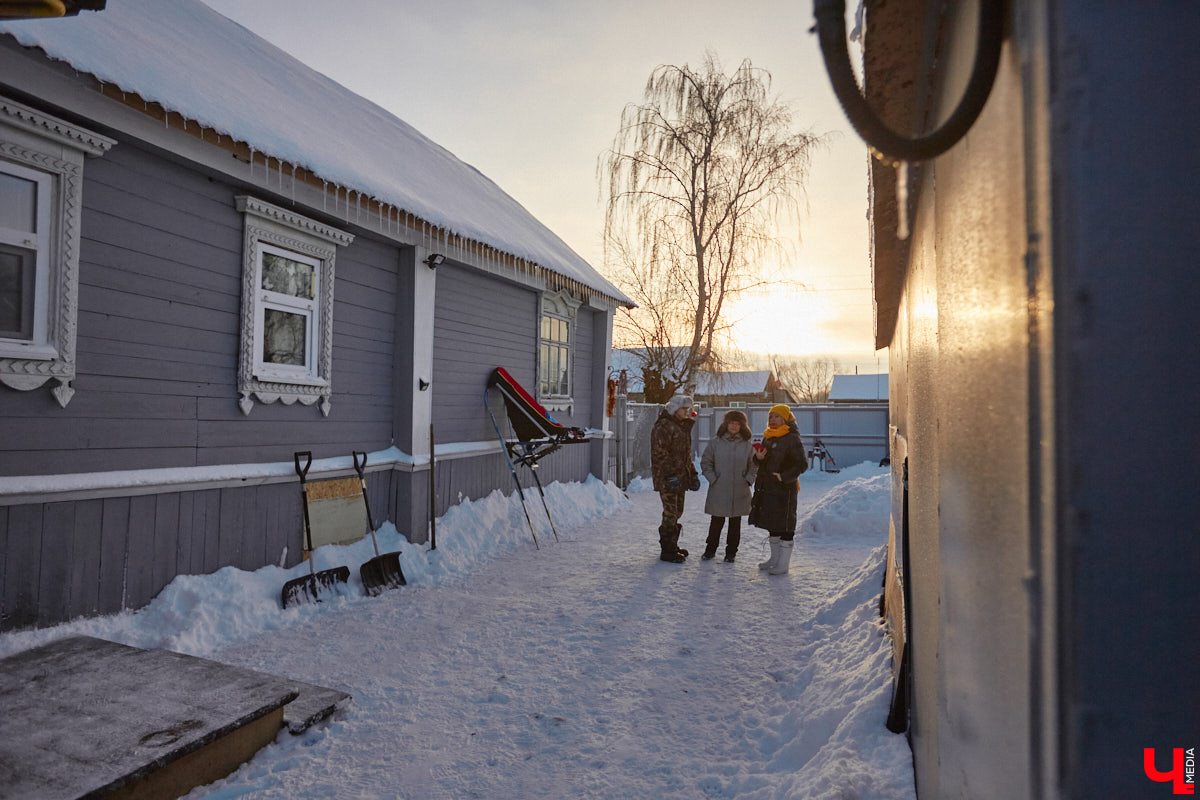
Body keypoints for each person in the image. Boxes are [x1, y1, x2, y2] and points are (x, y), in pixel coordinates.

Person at [749, 404, 808, 574]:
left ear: (785, 419)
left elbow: (802, 464)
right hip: (767, 488)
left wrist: (783, 476)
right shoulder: (768, 436)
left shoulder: (792, 438)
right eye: (771, 417)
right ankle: (774, 559)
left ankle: (783, 565)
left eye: (777, 416)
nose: (773, 419)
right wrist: (758, 458)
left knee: (786, 525)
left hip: (784, 490)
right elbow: (762, 461)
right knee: (772, 523)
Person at [699, 409, 758, 562]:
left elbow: (754, 465)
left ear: (742, 426)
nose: (734, 426)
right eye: (731, 423)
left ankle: (731, 553)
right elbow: (706, 462)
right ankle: (710, 550)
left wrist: (748, 480)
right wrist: (713, 479)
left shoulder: (747, 445)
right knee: (716, 522)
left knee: (735, 524)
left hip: (739, 490)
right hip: (719, 488)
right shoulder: (715, 443)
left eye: (737, 424)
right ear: (725, 424)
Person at [650, 393, 698, 563]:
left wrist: (692, 473)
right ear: (675, 409)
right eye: (684, 409)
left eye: (688, 409)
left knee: (677, 511)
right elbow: (659, 453)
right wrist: (670, 475)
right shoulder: (663, 426)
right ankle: (667, 551)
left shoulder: (681, 426)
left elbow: (685, 455)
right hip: (667, 478)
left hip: (680, 477)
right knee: (670, 512)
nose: (687, 412)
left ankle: (672, 545)